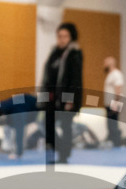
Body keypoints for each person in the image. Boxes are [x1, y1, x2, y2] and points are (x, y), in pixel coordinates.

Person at [41, 22, 83, 164]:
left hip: (66, 98)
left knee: (66, 127)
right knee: (47, 124)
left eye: (65, 36)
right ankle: (56, 150)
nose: (62, 39)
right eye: (60, 36)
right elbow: (46, 77)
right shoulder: (53, 53)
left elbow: (74, 80)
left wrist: (69, 101)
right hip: (52, 98)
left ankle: (64, 156)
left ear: (71, 37)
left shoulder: (74, 54)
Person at [0, 93, 39, 159]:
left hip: (22, 110)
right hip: (21, 109)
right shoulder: (7, 107)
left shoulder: (13, 109)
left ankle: (18, 153)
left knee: (19, 127)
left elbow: (19, 130)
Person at [103, 57, 124, 148]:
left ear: (110, 63)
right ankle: (112, 142)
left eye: (105, 62)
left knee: (113, 123)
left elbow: (118, 88)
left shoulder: (116, 74)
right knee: (110, 124)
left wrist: (116, 102)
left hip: (114, 103)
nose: (103, 64)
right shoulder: (110, 74)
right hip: (109, 104)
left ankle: (116, 144)